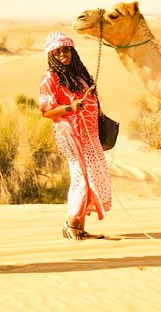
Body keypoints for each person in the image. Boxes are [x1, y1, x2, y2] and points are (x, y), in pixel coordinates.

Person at [39, 32, 111, 240]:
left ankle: (80, 227)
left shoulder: (80, 75)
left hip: (91, 133)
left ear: (72, 50)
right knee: (81, 176)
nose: (63, 54)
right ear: (51, 55)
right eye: (57, 51)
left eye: (66, 49)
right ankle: (70, 224)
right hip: (71, 134)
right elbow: (46, 111)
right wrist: (70, 107)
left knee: (94, 176)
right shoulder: (50, 78)